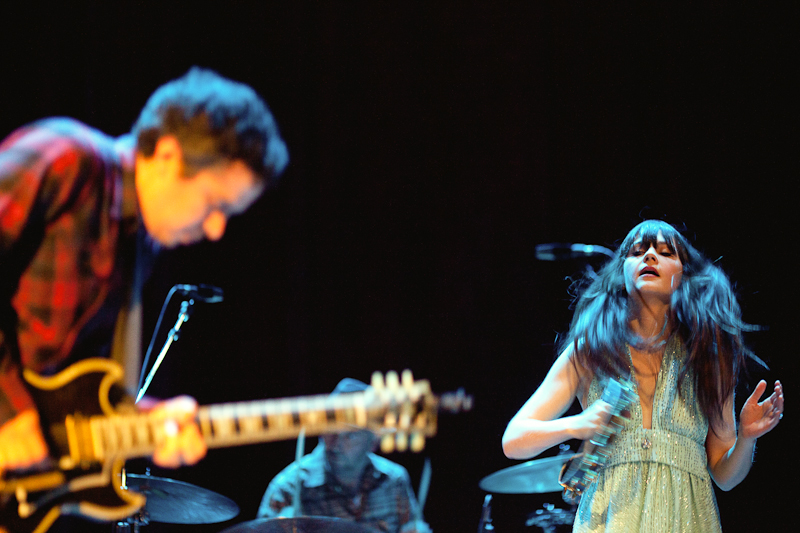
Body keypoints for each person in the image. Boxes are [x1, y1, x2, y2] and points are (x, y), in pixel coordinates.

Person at [1, 67, 288, 485]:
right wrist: (8, 410)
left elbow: (71, 391)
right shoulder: (67, 158)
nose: (216, 230)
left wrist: (148, 422)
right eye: (215, 204)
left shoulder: (138, 246)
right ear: (168, 156)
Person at [502, 219, 784, 532]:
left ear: (685, 275)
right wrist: (578, 424)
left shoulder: (708, 359)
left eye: (665, 252)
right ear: (621, 273)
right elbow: (514, 440)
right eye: (637, 252)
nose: (649, 256)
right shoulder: (590, 351)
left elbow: (725, 476)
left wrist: (746, 438)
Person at [257, 378, 432, 533]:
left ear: (373, 442)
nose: (336, 443)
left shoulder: (394, 480)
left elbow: (411, 527)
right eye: (331, 430)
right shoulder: (289, 487)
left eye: (350, 435)